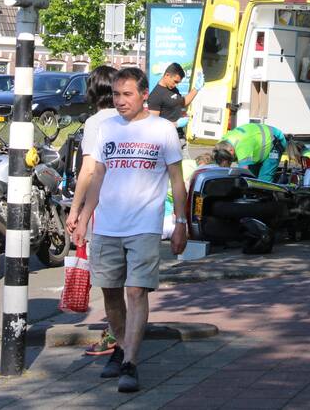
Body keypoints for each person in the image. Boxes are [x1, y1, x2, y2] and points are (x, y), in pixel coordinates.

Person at [73, 67, 187, 394]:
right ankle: (122, 347)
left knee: (136, 291)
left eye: (127, 94)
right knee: (110, 291)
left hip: (144, 224)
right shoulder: (107, 128)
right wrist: (84, 217)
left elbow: (177, 179)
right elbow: (97, 175)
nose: (120, 101)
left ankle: (130, 363)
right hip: (107, 225)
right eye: (116, 95)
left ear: (144, 94)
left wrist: (181, 223)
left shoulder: (163, 130)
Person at [63, 65, 119, 357]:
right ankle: (125, 334)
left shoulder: (96, 122)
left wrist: (75, 211)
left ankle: (115, 334)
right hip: (134, 207)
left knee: (109, 279)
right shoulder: (131, 119)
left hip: (104, 208)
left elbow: (88, 170)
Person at [211, 123, 289, 183]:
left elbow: (243, 172)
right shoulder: (220, 146)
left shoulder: (242, 147)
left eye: (230, 160)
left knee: (263, 181)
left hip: (275, 140)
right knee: (253, 177)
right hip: (257, 142)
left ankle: (266, 197)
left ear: (231, 151)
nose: (230, 162)